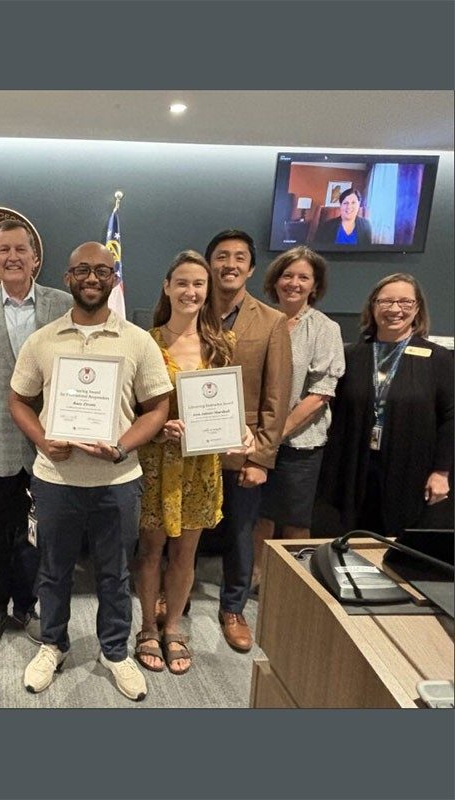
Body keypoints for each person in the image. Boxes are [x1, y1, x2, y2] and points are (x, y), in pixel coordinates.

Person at [9, 241, 172, 702]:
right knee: (53, 569)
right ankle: (53, 644)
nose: (92, 278)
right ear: (68, 279)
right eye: (82, 270)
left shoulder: (138, 340)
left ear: (114, 278)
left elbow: (158, 408)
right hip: (56, 481)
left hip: (117, 482)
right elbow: (18, 400)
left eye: (103, 270)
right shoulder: (42, 341)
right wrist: (42, 439)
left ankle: (115, 651)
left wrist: (121, 447)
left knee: (115, 573)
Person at [0, 220, 73, 651]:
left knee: (38, 532)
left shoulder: (63, 305)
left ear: (35, 257)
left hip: (50, 442)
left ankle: (29, 606)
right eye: (3, 250)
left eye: (21, 249)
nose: (13, 257)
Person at [135, 250, 248, 675]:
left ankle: (174, 627)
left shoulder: (224, 344)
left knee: (187, 553)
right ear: (167, 287)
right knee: (150, 550)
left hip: (202, 467)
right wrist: (157, 427)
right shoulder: (146, 341)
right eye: (182, 282)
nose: (191, 291)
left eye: (199, 284)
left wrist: (242, 430)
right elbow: (130, 408)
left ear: (208, 290)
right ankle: (147, 626)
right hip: (156, 462)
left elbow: (232, 404)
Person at [201, 229, 292, 652]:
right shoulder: (189, 310)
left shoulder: (272, 322)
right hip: (192, 446)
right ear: (209, 264)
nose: (230, 264)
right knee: (182, 528)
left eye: (239, 257)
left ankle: (232, 607)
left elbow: (278, 395)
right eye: (221, 256)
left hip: (243, 448)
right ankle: (175, 599)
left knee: (240, 533)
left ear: (252, 268)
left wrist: (261, 457)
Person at [319, 273, 453, 537]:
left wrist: (441, 471)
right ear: (373, 306)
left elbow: (451, 417)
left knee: (399, 545)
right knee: (353, 540)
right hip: (355, 470)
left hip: (411, 473)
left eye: (405, 302)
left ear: (417, 308)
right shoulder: (351, 356)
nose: (395, 309)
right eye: (386, 301)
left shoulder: (437, 358)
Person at [250, 247, 345, 586]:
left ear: (314, 286)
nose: (294, 283)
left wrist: (276, 434)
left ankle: (293, 584)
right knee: (259, 513)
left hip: (299, 442)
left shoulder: (324, 328)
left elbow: (321, 393)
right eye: (287, 276)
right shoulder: (260, 320)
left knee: (294, 517)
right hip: (257, 438)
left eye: (303, 277)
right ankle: (256, 576)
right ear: (274, 281)